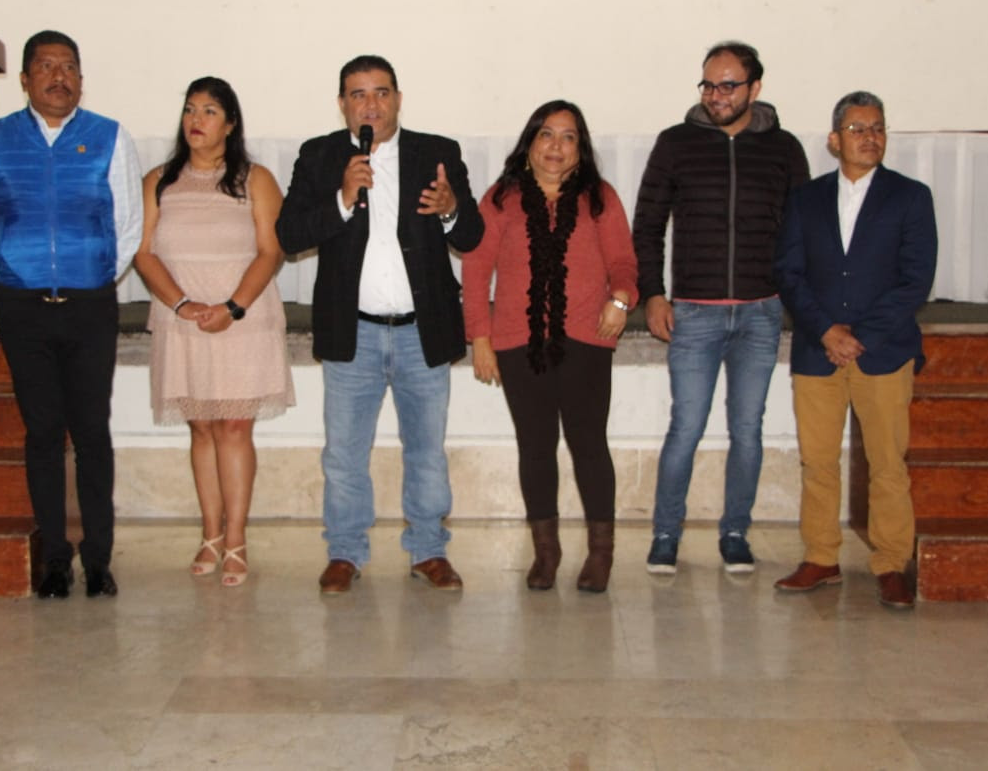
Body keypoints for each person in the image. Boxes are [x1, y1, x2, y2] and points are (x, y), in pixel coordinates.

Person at [275, 55, 483, 594]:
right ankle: (344, 552)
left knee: (426, 450)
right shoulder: (320, 156)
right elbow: (289, 235)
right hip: (353, 332)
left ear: (398, 99)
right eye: (358, 95)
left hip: (422, 330)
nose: (371, 105)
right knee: (344, 453)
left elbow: (472, 237)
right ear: (342, 104)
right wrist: (342, 200)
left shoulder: (437, 153)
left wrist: (451, 208)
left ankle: (429, 549)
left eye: (381, 93)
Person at [0, 30, 143, 599]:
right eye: (46, 66)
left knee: (91, 433)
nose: (59, 77)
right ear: (25, 79)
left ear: (81, 79)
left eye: (69, 67)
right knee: (42, 433)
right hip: (24, 309)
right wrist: (19, 271)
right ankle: (56, 561)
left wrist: (93, 274)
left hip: (89, 307)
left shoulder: (109, 137)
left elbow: (128, 224)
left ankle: (98, 560)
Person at [632, 41, 809, 575]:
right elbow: (647, 225)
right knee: (685, 427)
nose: (716, 95)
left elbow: (801, 231)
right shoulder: (676, 143)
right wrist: (653, 293)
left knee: (748, 429)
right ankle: (666, 534)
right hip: (694, 313)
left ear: (755, 88)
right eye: (709, 85)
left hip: (760, 313)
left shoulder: (784, 149)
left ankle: (736, 532)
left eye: (728, 85)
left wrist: (794, 298)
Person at [463, 100, 637, 593]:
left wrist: (620, 301)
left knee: (589, 446)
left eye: (568, 136)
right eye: (546, 134)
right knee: (535, 448)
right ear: (529, 143)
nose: (556, 146)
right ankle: (547, 551)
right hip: (518, 344)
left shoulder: (600, 198)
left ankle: (600, 554)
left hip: (587, 339)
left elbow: (624, 264)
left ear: (580, 149)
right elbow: (476, 272)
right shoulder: (501, 199)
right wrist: (480, 338)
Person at [773, 91, 937, 609]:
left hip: (883, 351)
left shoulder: (910, 197)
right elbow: (789, 274)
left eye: (878, 128)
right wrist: (826, 331)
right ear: (834, 140)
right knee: (818, 462)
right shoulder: (806, 199)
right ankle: (821, 557)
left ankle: (891, 563)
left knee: (887, 463)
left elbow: (916, 280)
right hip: (818, 352)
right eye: (858, 128)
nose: (870, 137)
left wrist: (858, 335)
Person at [133, 76, 294, 588]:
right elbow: (143, 253)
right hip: (182, 319)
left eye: (208, 111)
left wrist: (233, 307)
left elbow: (271, 251)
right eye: (190, 109)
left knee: (234, 427)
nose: (196, 120)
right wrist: (181, 303)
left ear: (230, 124)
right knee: (201, 427)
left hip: (242, 319)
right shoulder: (159, 180)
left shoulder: (256, 179)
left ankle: (237, 539)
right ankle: (210, 534)